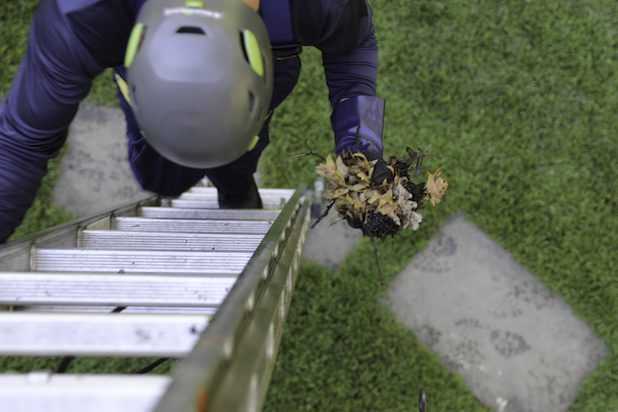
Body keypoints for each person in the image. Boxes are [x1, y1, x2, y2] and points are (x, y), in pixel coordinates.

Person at [0, 0, 385, 243]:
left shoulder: (320, 6)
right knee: (159, 177)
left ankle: (236, 187)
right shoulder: (82, 17)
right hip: (155, 92)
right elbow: (19, 142)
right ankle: (185, 171)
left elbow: (354, 48)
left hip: (260, 78)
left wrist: (361, 146)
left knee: (241, 156)